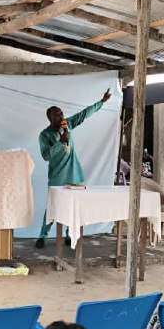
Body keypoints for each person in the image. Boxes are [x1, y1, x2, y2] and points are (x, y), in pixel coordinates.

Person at [35, 89, 112, 248]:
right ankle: (43, 235)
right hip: (57, 176)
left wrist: (101, 102)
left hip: (73, 173)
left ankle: (69, 235)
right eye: (57, 115)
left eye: (61, 113)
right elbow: (46, 156)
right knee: (52, 206)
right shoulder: (44, 135)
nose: (61, 116)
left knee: (72, 205)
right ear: (50, 118)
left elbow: (83, 114)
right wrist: (60, 142)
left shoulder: (67, 125)